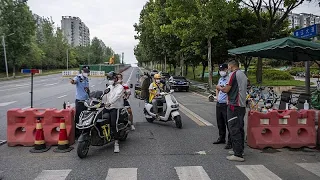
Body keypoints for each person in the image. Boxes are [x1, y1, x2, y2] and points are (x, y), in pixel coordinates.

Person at [217, 60, 247, 162]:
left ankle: (238, 154)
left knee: (234, 128)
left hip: (234, 104)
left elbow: (226, 89)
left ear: (231, 66)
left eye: (228, 66)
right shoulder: (243, 74)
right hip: (242, 105)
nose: (228, 68)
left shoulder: (233, 74)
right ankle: (239, 150)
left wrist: (219, 88)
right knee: (240, 128)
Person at [102, 71, 125, 153]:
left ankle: (116, 143)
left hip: (116, 107)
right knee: (97, 117)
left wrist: (110, 103)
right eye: (109, 79)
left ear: (115, 79)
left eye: (111, 79)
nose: (110, 80)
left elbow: (117, 96)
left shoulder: (120, 87)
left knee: (113, 124)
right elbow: (104, 95)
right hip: (107, 106)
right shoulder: (109, 86)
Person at [213, 64, 232, 150]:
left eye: (223, 69)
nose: (221, 71)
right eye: (220, 70)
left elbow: (225, 89)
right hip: (219, 103)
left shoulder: (229, 79)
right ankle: (221, 138)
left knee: (228, 123)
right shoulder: (221, 79)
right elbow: (217, 88)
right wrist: (217, 97)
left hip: (226, 104)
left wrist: (220, 88)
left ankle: (230, 141)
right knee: (220, 122)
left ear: (227, 69)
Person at [70, 66, 90, 138]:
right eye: (85, 72)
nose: (86, 73)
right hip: (80, 100)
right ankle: (76, 133)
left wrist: (90, 96)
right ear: (82, 71)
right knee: (78, 117)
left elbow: (87, 89)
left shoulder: (86, 79)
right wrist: (72, 81)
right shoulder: (78, 77)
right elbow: (74, 81)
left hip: (86, 100)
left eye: (87, 72)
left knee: (85, 116)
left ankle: (83, 131)